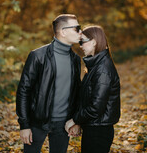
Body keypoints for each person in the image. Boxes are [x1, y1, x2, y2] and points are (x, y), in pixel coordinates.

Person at [16, 14, 81, 153]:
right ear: (63, 31)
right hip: (37, 122)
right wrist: (24, 125)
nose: (80, 32)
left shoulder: (75, 59)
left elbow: (76, 92)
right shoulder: (38, 56)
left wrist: (76, 121)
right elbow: (24, 90)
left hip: (63, 125)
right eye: (77, 28)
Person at [65, 25, 121, 153]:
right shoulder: (95, 65)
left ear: (94, 42)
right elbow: (86, 98)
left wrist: (74, 120)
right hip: (93, 127)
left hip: (99, 131)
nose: (80, 45)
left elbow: (95, 108)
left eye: (82, 41)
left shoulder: (103, 69)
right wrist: (79, 123)